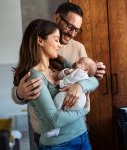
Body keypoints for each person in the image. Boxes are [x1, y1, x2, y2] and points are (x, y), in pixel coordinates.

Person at [11, 2, 105, 146]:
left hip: (80, 131)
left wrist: (80, 85)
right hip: (53, 138)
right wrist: (19, 93)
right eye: (70, 27)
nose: (72, 33)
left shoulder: (66, 56)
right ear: (57, 18)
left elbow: (92, 80)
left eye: (77, 30)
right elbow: (19, 89)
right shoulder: (34, 66)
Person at [45, 57, 97, 138]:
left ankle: (56, 128)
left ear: (85, 69)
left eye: (80, 62)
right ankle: (57, 128)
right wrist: (66, 71)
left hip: (77, 100)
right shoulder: (75, 70)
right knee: (61, 108)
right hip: (76, 103)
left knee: (57, 100)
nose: (76, 61)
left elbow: (71, 81)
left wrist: (61, 83)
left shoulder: (81, 73)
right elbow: (60, 75)